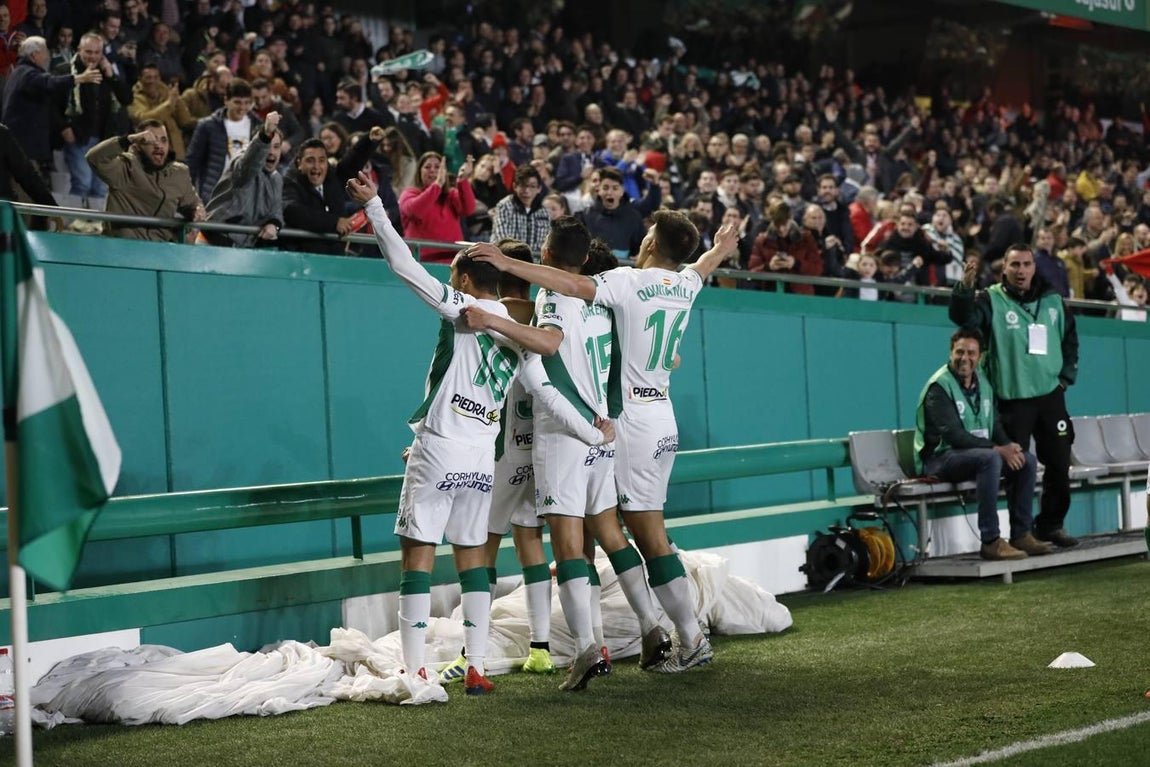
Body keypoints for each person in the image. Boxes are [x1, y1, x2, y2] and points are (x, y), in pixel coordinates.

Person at [344, 171, 612, 697]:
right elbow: (548, 390)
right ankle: (477, 666)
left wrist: (376, 204)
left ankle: (417, 672)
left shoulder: (461, 310)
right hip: (478, 462)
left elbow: (402, 263)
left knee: (417, 559)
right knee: (473, 562)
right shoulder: (520, 330)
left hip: (441, 447)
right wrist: (596, 432)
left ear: (465, 279)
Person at [465, 208, 739, 674]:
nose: (644, 235)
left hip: (625, 422)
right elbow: (703, 266)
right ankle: (661, 631)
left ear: (653, 243)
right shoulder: (687, 284)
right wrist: (722, 247)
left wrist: (508, 264)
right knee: (618, 529)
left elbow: (569, 284)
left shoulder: (629, 281)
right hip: (662, 417)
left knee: (646, 536)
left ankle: (689, 638)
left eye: (649, 231)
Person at [949, 244, 1080, 548]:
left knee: (1060, 465)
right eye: (1014, 265)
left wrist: (1065, 379)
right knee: (1019, 467)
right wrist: (965, 288)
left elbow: (1070, 340)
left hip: (1050, 396)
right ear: (1003, 269)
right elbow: (962, 320)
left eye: (1026, 264)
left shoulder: (1053, 301)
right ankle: (1020, 533)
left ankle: (1050, 525)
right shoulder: (990, 300)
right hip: (1011, 398)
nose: (1021, 271)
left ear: (1035, 268)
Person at [914, 328, 1055, 561]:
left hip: (972, 457)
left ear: (980, 357)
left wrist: (1009, 445)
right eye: (959, 352)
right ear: (951, 353)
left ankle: (1021, 534)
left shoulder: (984, 383)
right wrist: (998, 450)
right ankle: (990, 540)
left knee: (1026, 460)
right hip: (938, 460)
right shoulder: (939, 387)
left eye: (971, 353)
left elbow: (994, 424)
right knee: (990, 458)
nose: (965, 358)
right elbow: (955, 436)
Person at [86, 119, 205, 241]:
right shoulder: (125, 167)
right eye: (150, 140)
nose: (158, 145)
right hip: (124, 248)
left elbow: (192, 204)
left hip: (161, 250)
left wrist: (196, 212)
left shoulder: (179, 173)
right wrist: (128, 139)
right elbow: (94, 158)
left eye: (163, 140)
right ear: (137, 145)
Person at [3, 35, 101, 177]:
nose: (47, 56)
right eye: (45, 52)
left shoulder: (19, 72)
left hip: (21, 143)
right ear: (34, 54)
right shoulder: (26, 73)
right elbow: (48, 82)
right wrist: (79, 78)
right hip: (24, 145)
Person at [57, 31, 131, 205]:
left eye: (97, 53)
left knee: (100, 187)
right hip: (78, 136)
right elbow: (51, 105)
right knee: (82, 183)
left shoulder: (107, 72)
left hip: (104, 137)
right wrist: (63, 127)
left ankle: (95, 228)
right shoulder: (66, 70)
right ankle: (72, 226)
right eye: (88, 52)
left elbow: (127, 98)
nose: (93, 57)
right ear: (79, 49)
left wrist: (112, 75)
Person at [200, 110, 284, 248]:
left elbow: (276, 212)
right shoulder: (241, 162)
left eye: (276, 147)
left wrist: (275, 225)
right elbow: (251, 164)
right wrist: (265, 135)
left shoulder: (277, 179)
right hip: (213, 241)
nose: (271, 152)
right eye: (268, 145)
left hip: (242, 249)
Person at [281, 135, 375, 255]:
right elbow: (292, 211)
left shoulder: (332, 178)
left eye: (321, 160)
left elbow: (351, 163)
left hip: (334, 261)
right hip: (302, 261)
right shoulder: (290, 183)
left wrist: (370, 140)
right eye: (310, 160)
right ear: (299, 163)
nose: (316, 166)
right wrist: (334, 222)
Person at [185, 78, 262, 203]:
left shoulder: (258, 126)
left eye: (246, 103)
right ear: (226, 100)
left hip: (246, 197)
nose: (242, 107)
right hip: (212, 195)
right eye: (237, 102)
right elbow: (192, 162)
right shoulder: (207, 126)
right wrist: (190, 197)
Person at [399, 151, 475, 263]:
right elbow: (416, 211)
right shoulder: (409, 193)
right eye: (427, 167)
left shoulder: (451, 195)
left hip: (452, 262)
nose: (432, 170)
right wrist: (437, 185)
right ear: (419, 172)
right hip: (419, 262)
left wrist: (463, 180)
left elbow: (468, 209)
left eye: (437, 167)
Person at [490, 164, 549, 255]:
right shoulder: (505, 206)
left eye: (532, 186)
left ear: (539, 189)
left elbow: (546, 245)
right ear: (515, 186)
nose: (527, 190)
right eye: (523, 185)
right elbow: (502, 241)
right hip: (507, 261)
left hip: (535, 264)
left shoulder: (544, 212)